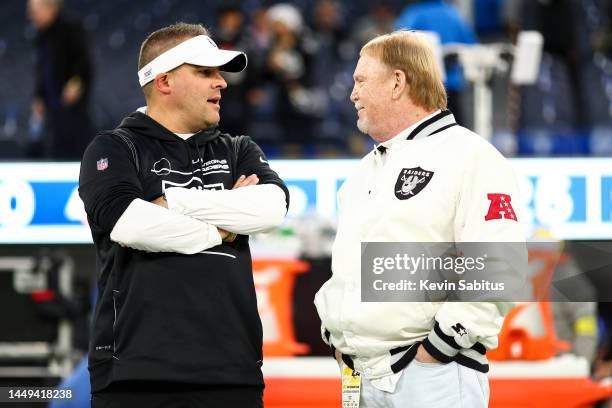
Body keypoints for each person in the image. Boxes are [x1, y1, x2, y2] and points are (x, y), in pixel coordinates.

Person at [78, 23, 289, 407]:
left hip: (233, 373)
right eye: (205, 72)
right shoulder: (113, 147)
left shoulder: (238, 148)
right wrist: (225, 227)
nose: (221, 83)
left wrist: (175, 202)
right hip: (136, 376)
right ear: (164, 81)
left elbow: (272, 208)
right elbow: (132, 225)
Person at [314, 31, 526, 407]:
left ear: (397, 82)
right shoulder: (365, 170)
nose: (353, 94)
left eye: (361, 80)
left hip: (432, 375)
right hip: (360, 375)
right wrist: (337, 335)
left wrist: (440, 347)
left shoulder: (471, 155)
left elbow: (497, 263)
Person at [27, 0, 94, 160]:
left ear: (50, 8)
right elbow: (41, 70)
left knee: (73, 139)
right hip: (51, 104)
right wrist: (39, 96)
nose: (30, 16)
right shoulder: (40, 35)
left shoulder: (71, 27)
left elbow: (84, 61)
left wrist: (76, 82)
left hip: (71, 103)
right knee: (52, 143)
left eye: (34, 11)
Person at [394, 0, 478, 126]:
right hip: (452, 87)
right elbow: (472, 45)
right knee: (456, 132)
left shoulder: (414, 14)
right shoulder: (453, 14)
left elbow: (395, 46)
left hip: (422, 88)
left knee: (424, 133)